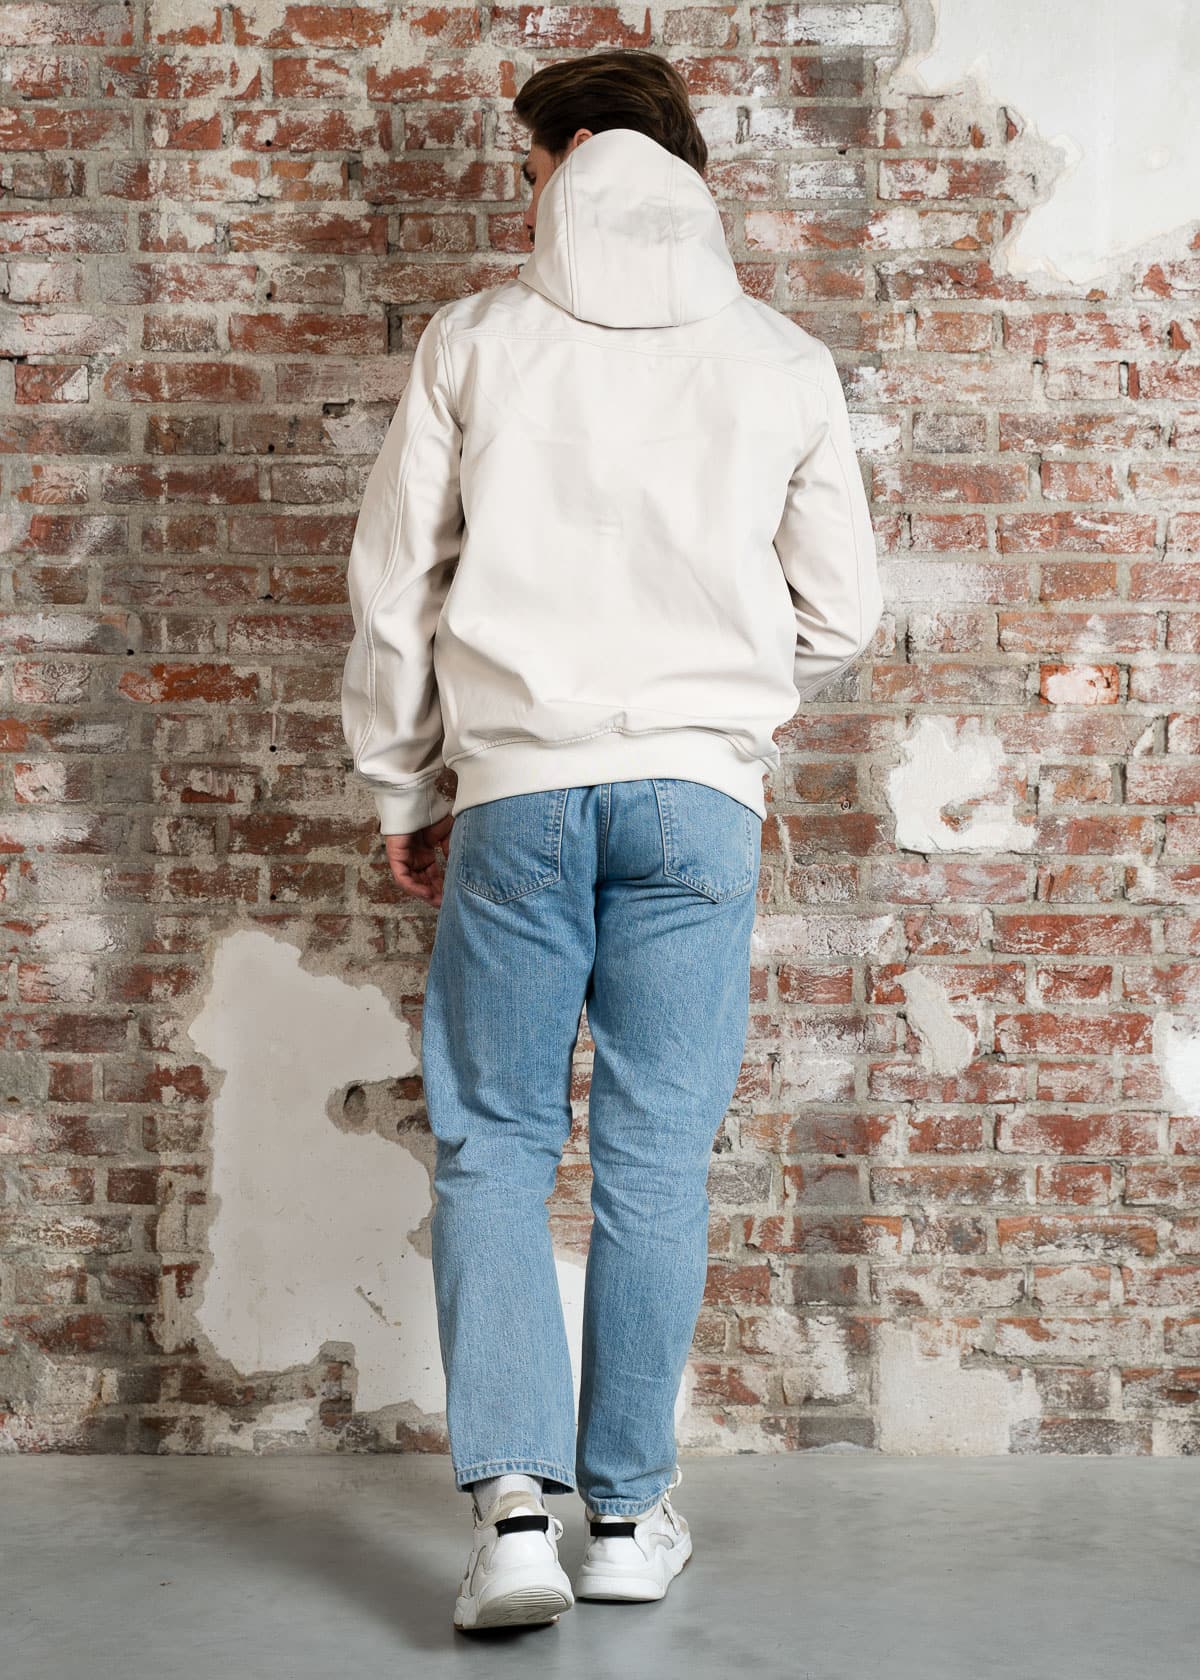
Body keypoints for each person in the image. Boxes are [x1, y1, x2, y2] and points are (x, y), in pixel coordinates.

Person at [339, 48, 883, 1632]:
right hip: (700, 802)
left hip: (516, 787)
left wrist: (405, 785)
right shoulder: (782, 357)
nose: (529, 200)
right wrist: (712, 708)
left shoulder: (475, 341)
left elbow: (396, 591)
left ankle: (515, 1522)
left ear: (570, 153)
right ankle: (630, 1521)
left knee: (495, 1143)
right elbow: (841, 610)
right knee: (653, 1154)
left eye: (529, 167)